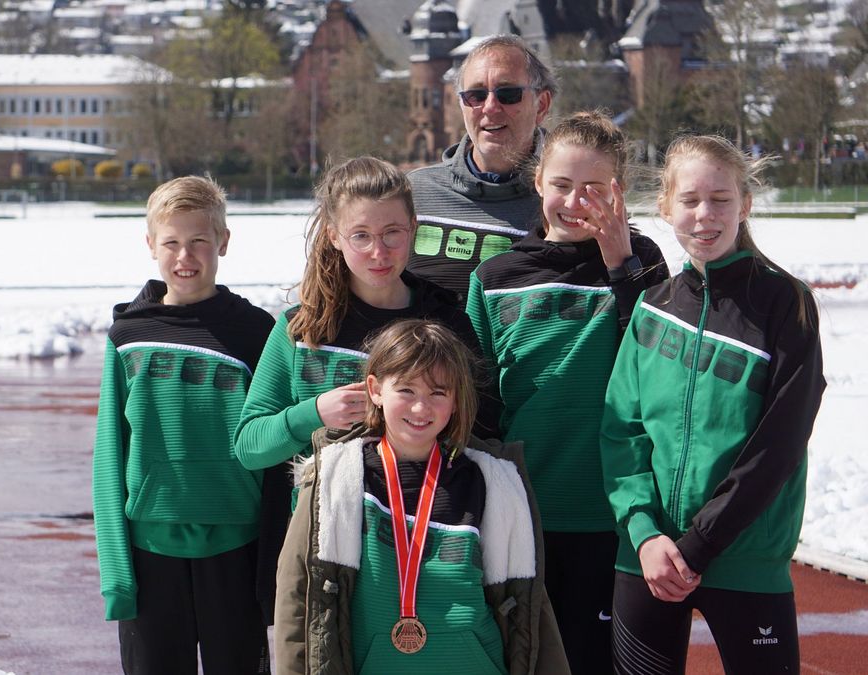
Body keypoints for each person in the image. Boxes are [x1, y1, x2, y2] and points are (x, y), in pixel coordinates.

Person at [601, 134, 826, 674]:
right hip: (649, 560)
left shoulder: (786, 303)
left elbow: (779, 444)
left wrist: (700, 544)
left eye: (721, 199)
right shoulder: (652, 307)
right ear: (666, 207)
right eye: (690, 200)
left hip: (744, 558)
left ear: (744, 204)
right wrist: (644, 534)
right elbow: (622, 430)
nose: (705, 215)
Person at [233, 156, 483, 626]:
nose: (378, 252)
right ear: (334, 236)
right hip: (323, 548)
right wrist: (312, 413)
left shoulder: (445, 323)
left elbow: (479, 435)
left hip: (421, 546)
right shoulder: (302, 329)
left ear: (413, 228)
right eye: (361, 236)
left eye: (392, 233)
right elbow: (249, 446)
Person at [466, 111, 668, 673]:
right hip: (525, 513)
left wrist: (620, 265)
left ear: (617, 192)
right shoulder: (495, 278)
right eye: (561, 184)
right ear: (537, 182)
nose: (576, 202)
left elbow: (655, 367)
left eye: (593, 188)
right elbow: (481, 404)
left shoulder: (644, 264)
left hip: (616, 513)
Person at [274, 319, 567, 674]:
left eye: (438, 393)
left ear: (456, 400)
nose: (420, 408)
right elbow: (297, 596)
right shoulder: (336, 478)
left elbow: (531, 608)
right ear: (375, 390)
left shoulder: (493, 481)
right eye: (406, 390)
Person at [92, 175, 275, 674]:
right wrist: (116, 574)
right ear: (151, 245)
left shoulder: (257, 332)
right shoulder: (128, 335)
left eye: (199, 241)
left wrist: (272, 570)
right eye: (171, 242)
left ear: (223, 241)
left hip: (236, 550)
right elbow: (109, 455)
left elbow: (276, 455)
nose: (185, 256)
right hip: (150, 552)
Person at [408, 34, 557, 306]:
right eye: (475, 95)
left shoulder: (566, 202)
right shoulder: (413, 195)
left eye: (508, 94)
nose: (490, 107)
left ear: (542, 104)